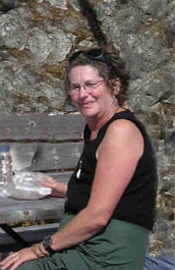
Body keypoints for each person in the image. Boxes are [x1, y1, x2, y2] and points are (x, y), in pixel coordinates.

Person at [0, 46, 158, 270]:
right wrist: (56, 187)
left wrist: (38, 249)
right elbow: (103, 192)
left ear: (115, 85)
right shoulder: (95, 128)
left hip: (104, 256)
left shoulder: (120, 131)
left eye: (91, 85)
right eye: (75, 87)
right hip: (81, 246)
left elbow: (97, 216)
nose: (83, 94)